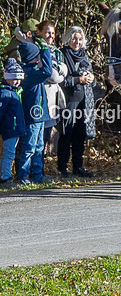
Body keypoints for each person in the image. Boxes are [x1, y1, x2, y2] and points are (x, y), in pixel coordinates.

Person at [57, 26, 97, 178]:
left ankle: (78, 167)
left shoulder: (84, 55)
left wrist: (92, 79)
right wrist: (77, 80)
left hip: (84, 100)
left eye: (80, 39)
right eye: (74, 38)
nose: (77, 42)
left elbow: (92, 77)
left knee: (80, 135)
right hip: (68, 100)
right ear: (68, 39)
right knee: (66, 134)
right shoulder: (61, 54)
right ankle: (62, 168)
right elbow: (59, 80)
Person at [15, 40, 53, 185]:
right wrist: (45, 51)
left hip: (39, 115)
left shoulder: (31, 71)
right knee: (30, 147)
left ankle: (37, 174)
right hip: (33, 116)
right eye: (37, 55)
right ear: (33, 56)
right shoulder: (29, 73)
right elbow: (48, 71)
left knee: (39, 146)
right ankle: (23, 176)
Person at [35, 20, 67, 162]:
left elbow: (63, 70)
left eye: (53, 33)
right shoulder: (35, 49)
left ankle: (40, 168)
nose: (50, 36)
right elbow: (48, 74)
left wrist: (58, 72)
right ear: (39, 32)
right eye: (47, 32)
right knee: (37, 137)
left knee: (47, 136)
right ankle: (33, 171)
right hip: (40, 97)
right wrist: (57, 74)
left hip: (53, 98)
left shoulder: (56, 51)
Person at [0, 59, 26, 185]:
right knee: (9, 153)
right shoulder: (5, 93)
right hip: (9, 129)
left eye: (19, 78)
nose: (17, 82)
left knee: (9, 152)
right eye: (14, 78)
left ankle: (4, 175)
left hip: (15, 129)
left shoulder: (15, 92)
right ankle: (5, 177)